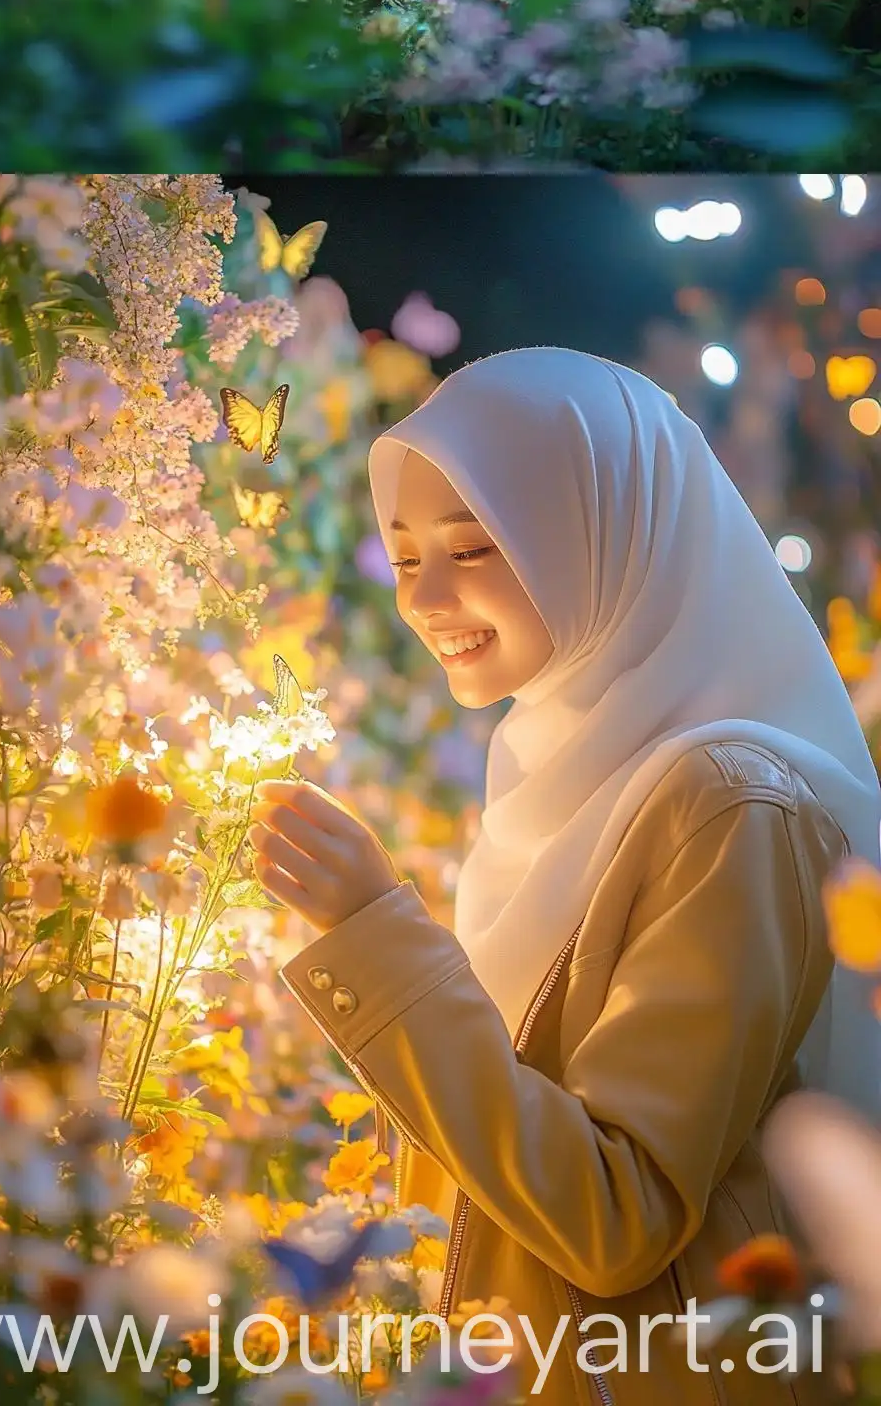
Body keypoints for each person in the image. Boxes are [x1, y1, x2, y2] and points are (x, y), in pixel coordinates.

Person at [252, 348, 877, 1405]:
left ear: (605, 535)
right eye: (403, 560)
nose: (427, 599)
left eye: (473, 546)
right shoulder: (559, 775)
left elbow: (611, 1218)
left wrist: (371, 932)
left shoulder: (731, 809)